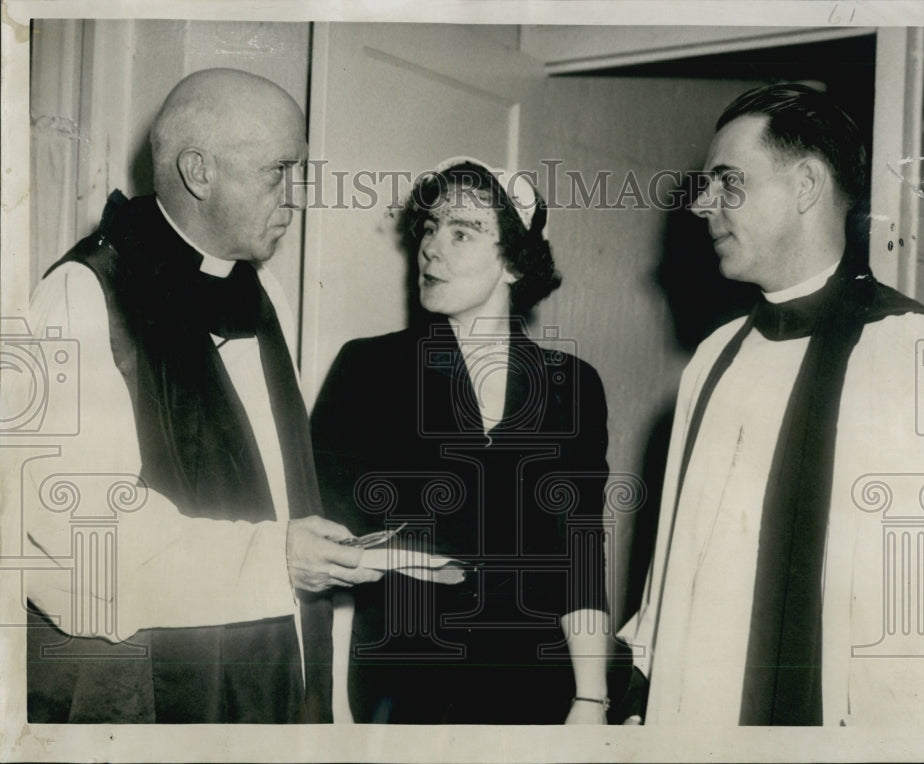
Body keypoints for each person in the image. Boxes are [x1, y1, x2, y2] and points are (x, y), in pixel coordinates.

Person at [618, 84, 924, 726]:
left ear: (805, 185)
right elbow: (674, 566)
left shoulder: (921, 353)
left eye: (728, 181)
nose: (704, 205)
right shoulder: (714, 358)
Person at [14, 68, 381, 723]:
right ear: (198, 172)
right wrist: (276, 559)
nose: (297, 196)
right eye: (279, 171)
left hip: (277, 678)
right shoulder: (79, 297)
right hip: (153, 691)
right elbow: (85, 550)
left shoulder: (263, 296)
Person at [310, 158, 613, 724]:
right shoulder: (367, 370)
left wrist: (590, 697)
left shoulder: (571, 386)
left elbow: (580, 553)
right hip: (396, 692)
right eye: (429, 229)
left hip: (530, 691)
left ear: (515, 264)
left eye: (462, 233)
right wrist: (329, 702)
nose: (431, 249)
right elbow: (330, 544)